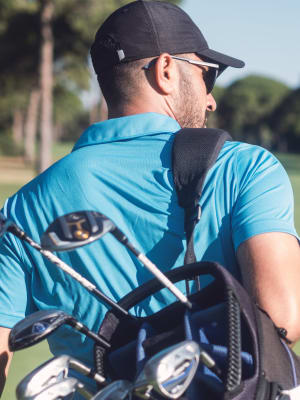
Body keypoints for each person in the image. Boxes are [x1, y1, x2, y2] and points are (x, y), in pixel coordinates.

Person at [0, 0, 300, 396]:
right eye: (207, 77)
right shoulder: (245, 167)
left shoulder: (21, 208)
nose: (211, 100)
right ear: (166, 70)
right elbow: (283, 319)